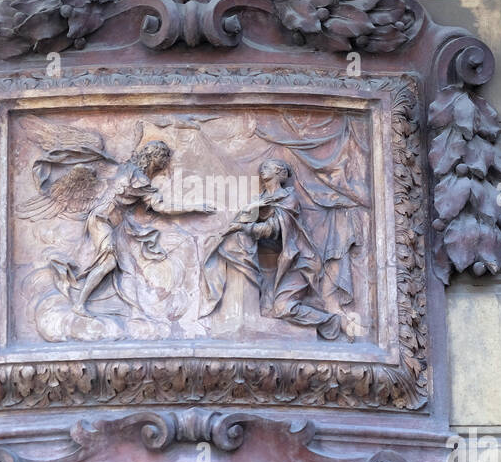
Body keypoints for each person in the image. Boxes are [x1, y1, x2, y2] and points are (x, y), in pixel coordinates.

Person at [199, 158, 343, 340]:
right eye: (262, 167)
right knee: (227, 241)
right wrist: (237, 227)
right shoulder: (259, 200)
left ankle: (328, 321)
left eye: (267, 167)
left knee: (283, 308)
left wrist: (245, 228)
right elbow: (242, 221)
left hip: (297, 262)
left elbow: (274, 228)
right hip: (271, 260)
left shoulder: (289, 199)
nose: (262, 169)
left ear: (279, 173)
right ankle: (236, 306)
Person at [67, 140, 213, 315]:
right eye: (164, 157)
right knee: (109, 263)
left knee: (125, 261)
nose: (166, 162)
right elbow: (162, 208)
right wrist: (194, 207)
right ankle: (79, 304)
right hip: (101, 221)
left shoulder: (129, 170)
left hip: (113, 224)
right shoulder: (139, 180)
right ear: (155, 157)